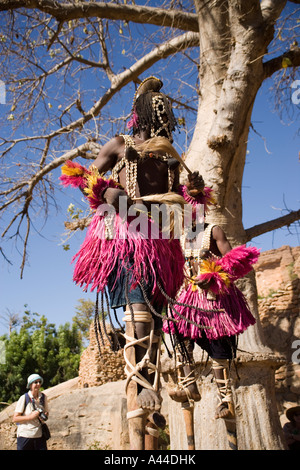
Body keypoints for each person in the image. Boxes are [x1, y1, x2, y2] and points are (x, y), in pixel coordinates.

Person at [60, 76, 206, 449]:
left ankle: (152, 388)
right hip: (128, 234)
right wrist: (105, 189)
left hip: (162, 239)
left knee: (158, 317)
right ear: (138, 112)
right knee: (138, 305)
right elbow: (81, 174)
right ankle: (141, 382)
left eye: (165, 108)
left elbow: (193, 214)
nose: (160, 112)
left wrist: (198, 198)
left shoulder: (172, 155)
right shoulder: (120, 145)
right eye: (153, 107)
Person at [163, 211, 260, 420]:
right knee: (178, 333)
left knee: (217, 344)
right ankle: (189, 385)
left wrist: (214, 268)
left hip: (213, 297)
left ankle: (225, 399)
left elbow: (234, 264)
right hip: (187, 297)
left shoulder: (213, 231)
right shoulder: (179, 238)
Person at [13, 374, 49, 450]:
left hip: (39, 435)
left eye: (39, 382)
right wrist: (30, 417)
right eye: (35, 382)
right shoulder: (24, 398)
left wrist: (45, 415)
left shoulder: (43, 397)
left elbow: (46, 412)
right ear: (30, 385)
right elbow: (15, 418)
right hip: (25, 435)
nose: (38, 384)